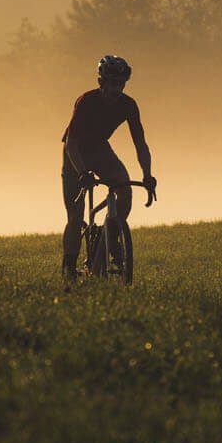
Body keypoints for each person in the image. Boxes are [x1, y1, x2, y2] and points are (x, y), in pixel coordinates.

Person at [61, 53, 156, 280]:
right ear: (101, 82)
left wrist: (147, 175)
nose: (116, 89)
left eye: (120, 84)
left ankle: (111, 238)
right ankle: (69, 268)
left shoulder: (128, 105)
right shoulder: (86, 101)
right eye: (112, 83)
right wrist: (83, 173)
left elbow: (140, 144)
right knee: (76, 214)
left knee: (124, 190)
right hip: (75, 153)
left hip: (100, 150)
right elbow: (71, 145)